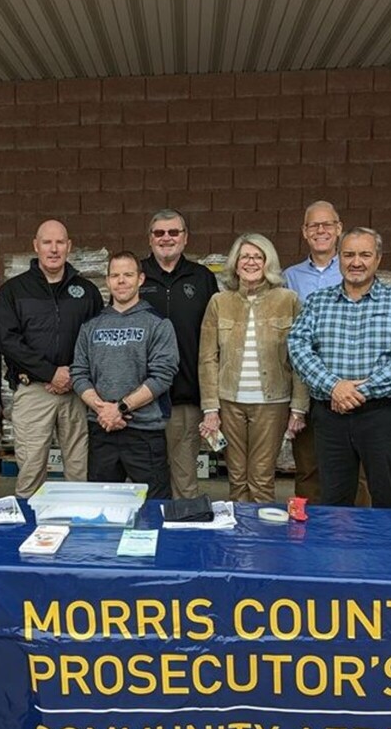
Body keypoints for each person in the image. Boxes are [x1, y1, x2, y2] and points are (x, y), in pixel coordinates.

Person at [287, 228, 391, 509]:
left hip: (382, 416)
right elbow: (297, 346)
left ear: (378, 258)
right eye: (349, 255)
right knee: (334, 500)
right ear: (338, 258)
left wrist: (359, 391)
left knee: (386, 498)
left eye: (365, 255)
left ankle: (387, 540)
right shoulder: (318, 302)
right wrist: (333, 387)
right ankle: (338, 541)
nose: (356, 262)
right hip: (331, 417)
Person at [0, 219, 104, 497]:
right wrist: (50, 373)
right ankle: (31, 524)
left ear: (69, 246)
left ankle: (78, 522)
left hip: (77, 392)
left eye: (59, 242)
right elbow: (9, 342)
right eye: (47, 242)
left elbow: (97, 341)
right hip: (34, 391)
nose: (54, 249)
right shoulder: (14, 291)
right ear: (36, 246)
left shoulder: (87, 291)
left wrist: (72, 374)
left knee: (79, 470)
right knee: (31, 471)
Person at [198, 234, 309, 503]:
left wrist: (298, 408)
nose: (251, 262)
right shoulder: (219, 302)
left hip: (272, 404)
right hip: (229, 402)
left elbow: (301, 358)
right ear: (235, 264)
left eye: (258, 257)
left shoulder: (288, 300)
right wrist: (210, 408)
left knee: (261, 479)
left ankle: (260, 530)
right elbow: (207, 358)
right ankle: (239, 529)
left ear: (268, 262)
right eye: (245, 257)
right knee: (236, 478)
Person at [71, 251, 179, 499]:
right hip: (102, 430)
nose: (121, 281)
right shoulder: (91, 325)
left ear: (140, 279)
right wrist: (103, 410)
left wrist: (119, 408)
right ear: (107, 281)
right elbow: (79, 373)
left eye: (128, 275)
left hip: (144, 432)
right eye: (115, 275)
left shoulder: (158, 323)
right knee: (102, 505)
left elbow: (162, 375)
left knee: (153, 506)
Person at [139, 209, 219, 498]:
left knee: (185, 482)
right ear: (150, 239)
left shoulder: (202, 278)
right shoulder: (136, 276)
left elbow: (215, 340)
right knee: (146, 481)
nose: (166, 238)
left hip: (185, 397)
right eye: (159, 233)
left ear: (185, 238)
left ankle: (181, 527)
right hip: (142, 399)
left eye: (174, 232)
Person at [280, 201, 346, 503]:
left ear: (339, 228)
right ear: (304, 232)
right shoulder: (289, 277)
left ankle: (352, 528)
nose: (321, 230)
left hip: (346, 382)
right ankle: (309, 526)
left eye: (327, 224)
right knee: (308, 468)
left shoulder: (352, 269)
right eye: (313, 225)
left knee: (353, 471)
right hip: (306, 384)